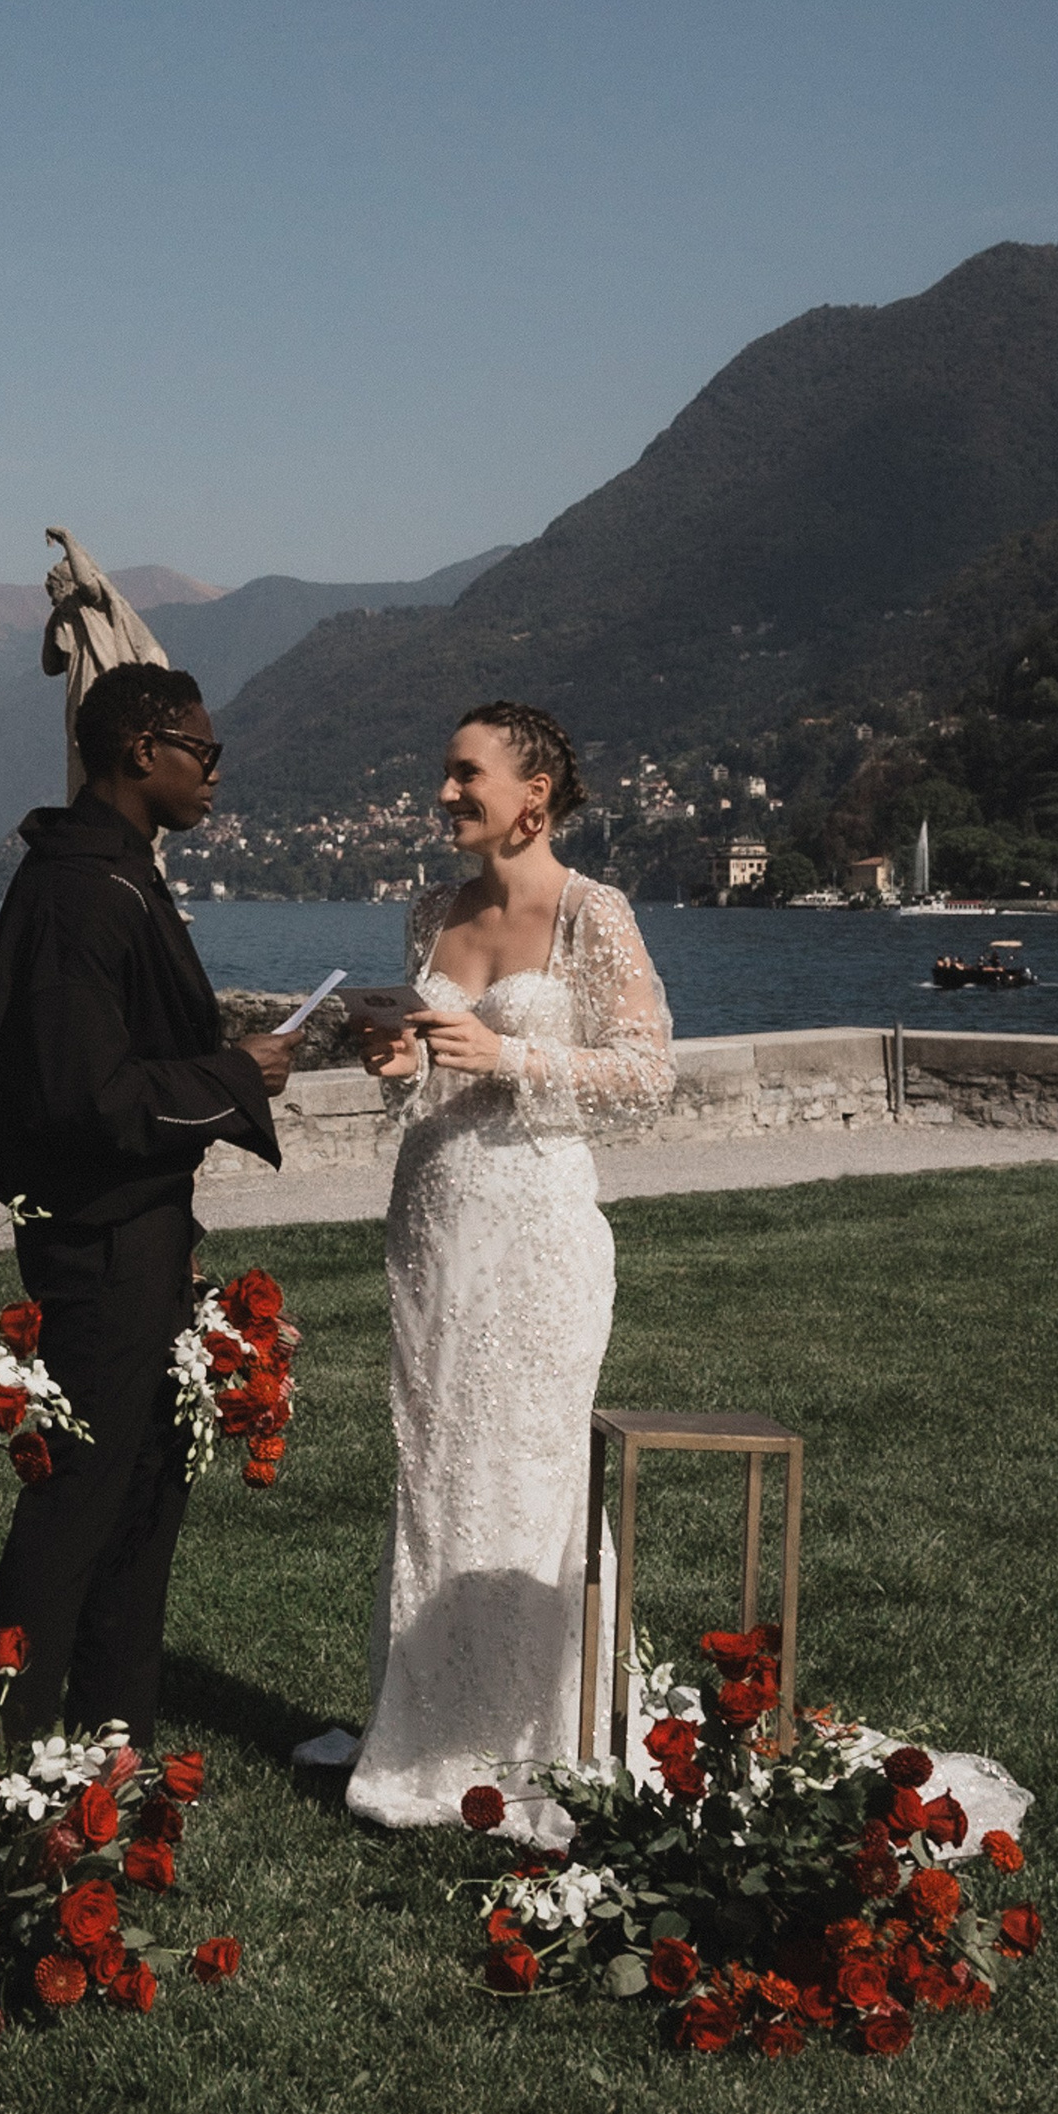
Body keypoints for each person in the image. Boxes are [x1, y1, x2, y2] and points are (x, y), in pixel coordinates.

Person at [316, 702, 673, 1835]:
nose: (443, 793)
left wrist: (510, 1050)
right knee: (434, 1461)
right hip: (432, 1216)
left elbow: (648, 1074)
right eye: (442, 774)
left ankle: (529, 1731)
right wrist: (396, 1057)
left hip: (537, 1226)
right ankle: (420, 1716)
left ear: (533, 793)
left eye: (465, 774)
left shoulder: (592, 912)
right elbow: (423, 1072)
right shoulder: (431, 910)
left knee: (525, 1460)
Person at [0, 662, 294, 1747]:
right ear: (141, 748)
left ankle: (109, 1734)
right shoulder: (80, 893)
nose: (215, 776)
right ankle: (4, 1749)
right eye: (205, 751)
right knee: (78, 1496)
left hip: (141, 1232)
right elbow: (84, 1096)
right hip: (98, 1241)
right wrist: (236, 1074)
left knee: (143, 1490)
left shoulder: (113, 878)